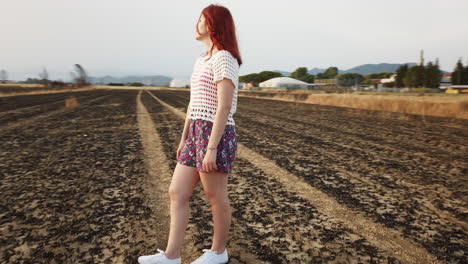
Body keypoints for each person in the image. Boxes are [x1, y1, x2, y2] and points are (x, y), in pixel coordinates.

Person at [138, 4, 242, 264]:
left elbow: (224, 106)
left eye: (201, 19)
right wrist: (185, 138)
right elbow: (194, 103)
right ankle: (172, 255)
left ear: (213, 24)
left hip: (215, 134)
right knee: (177, 192)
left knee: (215, 195)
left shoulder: (224, 58)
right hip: (196, 131)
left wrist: (211, 147)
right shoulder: (202, 60)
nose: (196, 23)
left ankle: (219, 252)